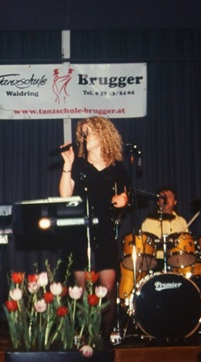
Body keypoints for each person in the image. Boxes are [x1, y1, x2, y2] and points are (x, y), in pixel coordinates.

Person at [59, 116, 130, 345]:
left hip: (105, 230)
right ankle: (85, 337)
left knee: (107, 287)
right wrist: (67, 164)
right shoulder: (79, 164)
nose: (85, 136)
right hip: (81, 231)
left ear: (103, 134)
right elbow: (65, 195)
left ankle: (104, 339)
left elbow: (125, 195)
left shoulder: (117, 167)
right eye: (83, 133)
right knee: (82, 289)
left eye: (89, 131)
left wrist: (124, 199)